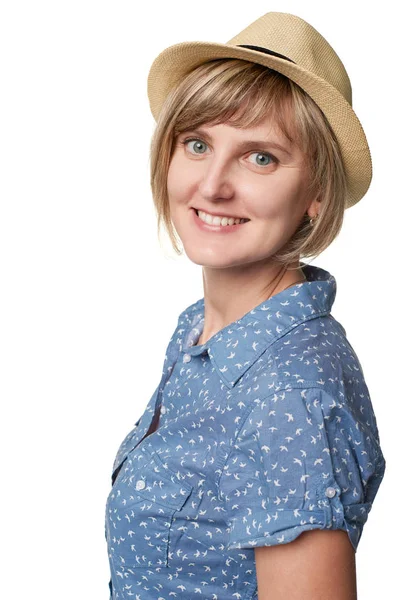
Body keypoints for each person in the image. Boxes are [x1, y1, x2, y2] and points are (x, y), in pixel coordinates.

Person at [105, 11, 386, 599]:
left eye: (261, 157)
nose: (211, 186)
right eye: (197, 143)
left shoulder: (291, 392)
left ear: (316, 193)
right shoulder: (206, 333)